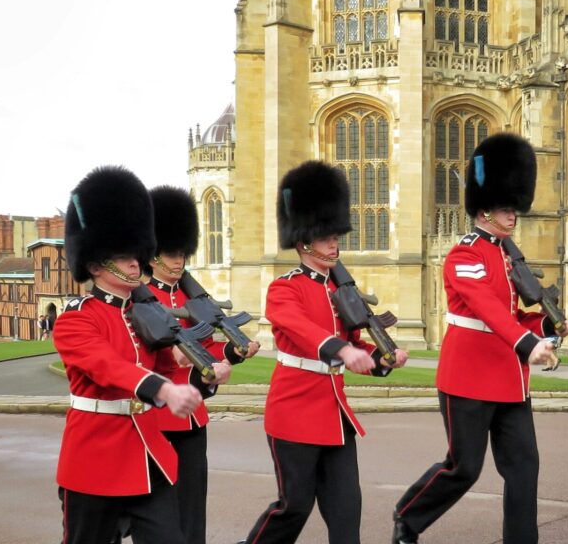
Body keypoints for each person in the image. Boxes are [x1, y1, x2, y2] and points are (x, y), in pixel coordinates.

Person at [393, 133, 568, 544]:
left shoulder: (507, 255)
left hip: (509, 382)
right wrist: (528, 345)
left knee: (524, 467)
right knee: (464, 468)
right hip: (468, 379)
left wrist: (548, 327)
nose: (513, 216)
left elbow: (513, 316)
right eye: (507, 208)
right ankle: (408, 516)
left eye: (514, 208)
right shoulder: (465, 254)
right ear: (484, 209)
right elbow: (487, 309)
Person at [241, 160, 407, 544]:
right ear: (304, 242)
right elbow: (301, 329)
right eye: (326, 238)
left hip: (335, 415)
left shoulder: (341, 291)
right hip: (294, 412)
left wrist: (383, 358)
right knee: (294, 507)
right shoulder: (285, 288)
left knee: (347, 512)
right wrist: (342, 350)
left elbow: (358, 344)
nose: (335, 244)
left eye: (336, 237)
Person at [53, 166, 209, 543]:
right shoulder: (76, 318)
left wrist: (203, 371)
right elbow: (107, 366)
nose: (136, 263)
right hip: (95, 461)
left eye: (137, 254)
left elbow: (168, 365)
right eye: (125, 258)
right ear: (95, 264)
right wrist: (163, 390)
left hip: (147, 454)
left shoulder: (140, 314)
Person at [146, 185, 259, 544]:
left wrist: (236, 351)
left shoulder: (191, 297)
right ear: (152, 255)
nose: (178, 260)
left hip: (194, 416)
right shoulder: (143, 300)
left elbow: (210, 347)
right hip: (160, 416)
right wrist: (181, 358)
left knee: (193, 506)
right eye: (171, 253)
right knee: (158, 510)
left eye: (182, 253)